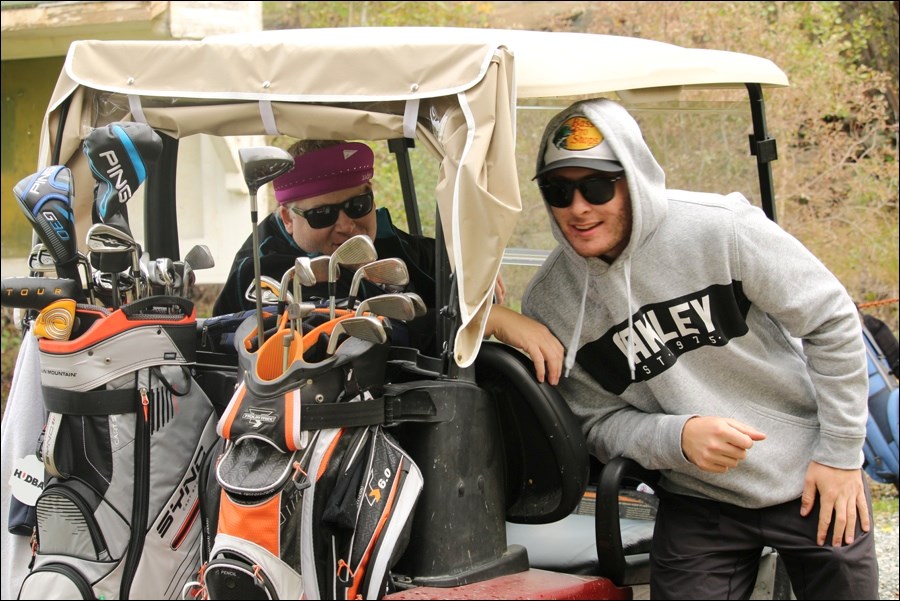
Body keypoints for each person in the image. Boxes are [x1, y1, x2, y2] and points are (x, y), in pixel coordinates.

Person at [489, 98, 879, 599]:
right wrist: (677, 437)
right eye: (558, 190)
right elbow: (594, 422)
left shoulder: (723, 229)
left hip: (810, 475)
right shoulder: (552, 300)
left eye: (597, 186)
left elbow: (831, 320)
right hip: (699, 500)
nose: (578, 207)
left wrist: (842, 457)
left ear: (635, 178)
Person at [213, 139, 440, 351]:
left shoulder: (387, 237)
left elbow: (446, 266)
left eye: (357, 204)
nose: (346, 225)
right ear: (288, 219)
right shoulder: (265, 270)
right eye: (322, 214)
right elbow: (374, 337)